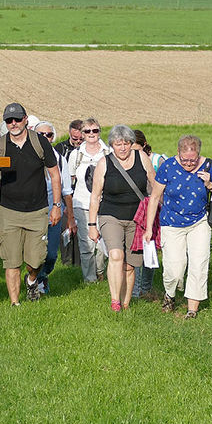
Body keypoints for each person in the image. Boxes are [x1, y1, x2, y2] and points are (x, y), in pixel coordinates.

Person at [0, 102, 62, 305]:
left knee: (36, 259)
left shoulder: (40, 143)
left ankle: (32, 279)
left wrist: (56, 206)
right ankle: (15, 304)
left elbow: (54, 174)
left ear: (26, 119)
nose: (14, 123)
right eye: (9, 120)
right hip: (9, 211)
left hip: (37, 210)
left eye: (17, 119)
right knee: (12, 261)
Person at [144, 135, 212, 319]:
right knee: (174, 268)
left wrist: (210, 183)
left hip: (199, 223)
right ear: (178, 153)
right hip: (171, 223)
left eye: (193, 160)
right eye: (184, 160)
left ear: (199, 154)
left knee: (199, 263)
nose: (189, 164)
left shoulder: (208, 166)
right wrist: (149, 228)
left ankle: (192, 309)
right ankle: (170, 294)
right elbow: (155, 197)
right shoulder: (168, 167)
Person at [88, 125, 155, 312]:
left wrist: (158, 210)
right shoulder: (104, 163)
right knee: (116, 255)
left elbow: (154, 183)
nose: (123, 148)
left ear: (131, 144)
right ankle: (115, 301)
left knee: (130, 266)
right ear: (112, 146)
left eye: (126, 143)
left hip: (137, 218)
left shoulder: (142, 158)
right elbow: (95, 196)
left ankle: (125, 304)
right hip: (111, 215)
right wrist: (92, 225)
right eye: (118, 144)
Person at [34, 121, 76, 294]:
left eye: (49, 135)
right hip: (33, 212)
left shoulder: (59, 159)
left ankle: (42, 276)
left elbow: (67, 190)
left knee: (51, 254)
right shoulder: (30, 156)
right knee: (35, 253)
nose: (45, 138)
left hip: (53, 210)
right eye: (40, 135)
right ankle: (33, 281)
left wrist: (71, 218)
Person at [67, 118, 110, 283]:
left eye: (95, 130)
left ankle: (100, 271)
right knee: (86, 246)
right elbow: (70, 181)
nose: (91, 134)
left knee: (102, 243)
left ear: (99, 132)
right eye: (87, 131)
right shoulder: (75, 155)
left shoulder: (108, 152)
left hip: (104, 203)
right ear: (82, 134)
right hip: (82, 204)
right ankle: (90, 279)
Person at [131, 129, 165, 300]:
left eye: (136, 149)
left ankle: (146, 287)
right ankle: (136, 291)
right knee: (136, 250)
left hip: (153, 209)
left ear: (144, 145)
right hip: (136, 209)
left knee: (150, 249)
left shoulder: (158, 160)